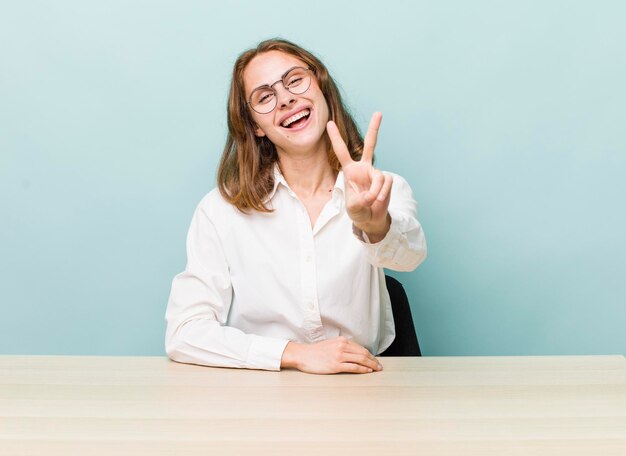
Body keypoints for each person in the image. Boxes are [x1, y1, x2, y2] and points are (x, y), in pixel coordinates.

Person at [165, 38, 427, 375]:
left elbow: (410, 258)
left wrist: (376, 226)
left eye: (295, 81)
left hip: (364, 386)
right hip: (264, 392)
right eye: (264, 97)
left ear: (322, 88)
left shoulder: (380, 187)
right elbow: (184, 333)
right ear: (256, 126)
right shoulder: (219, 210)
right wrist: (294, 354)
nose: (286, 98)